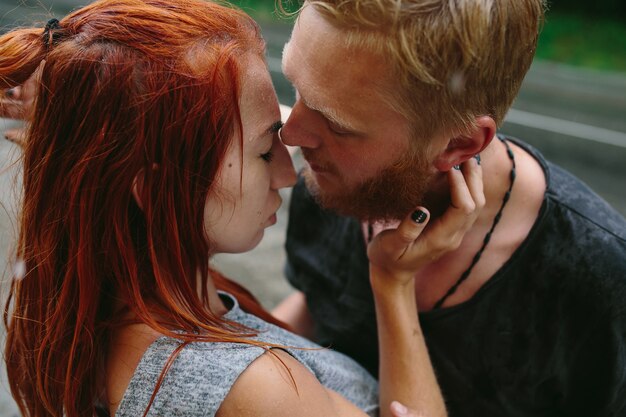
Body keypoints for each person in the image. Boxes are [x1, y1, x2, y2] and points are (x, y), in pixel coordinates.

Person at [1, 1, 484, 416]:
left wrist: (74, 113)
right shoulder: (257, 388)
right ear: (153, 187)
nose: (288, 175)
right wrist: (393, 284)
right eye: (261, 151)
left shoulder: (96, 309)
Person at [275, 0, 626, 415]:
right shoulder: (332, 179)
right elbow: (316, 306)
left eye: (337, 125)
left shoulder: (598, 278)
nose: (291, 135)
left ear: (460, 144)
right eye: (296, 88)